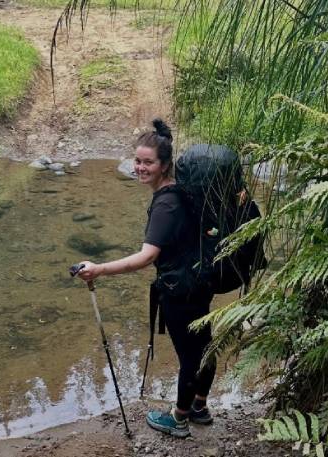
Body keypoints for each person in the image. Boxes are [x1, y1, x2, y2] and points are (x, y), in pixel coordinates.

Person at [75, 118, 216, 438]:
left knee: (190, 356)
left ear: (164, 165)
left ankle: (179, 419)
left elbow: (146, 257)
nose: (139, 167)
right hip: (198, 282)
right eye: (137, 160)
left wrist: (98, 269)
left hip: (180, 291)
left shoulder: (166, 204)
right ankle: (199, 407)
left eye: (147, 162)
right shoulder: (179, 192)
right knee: (204, 347)